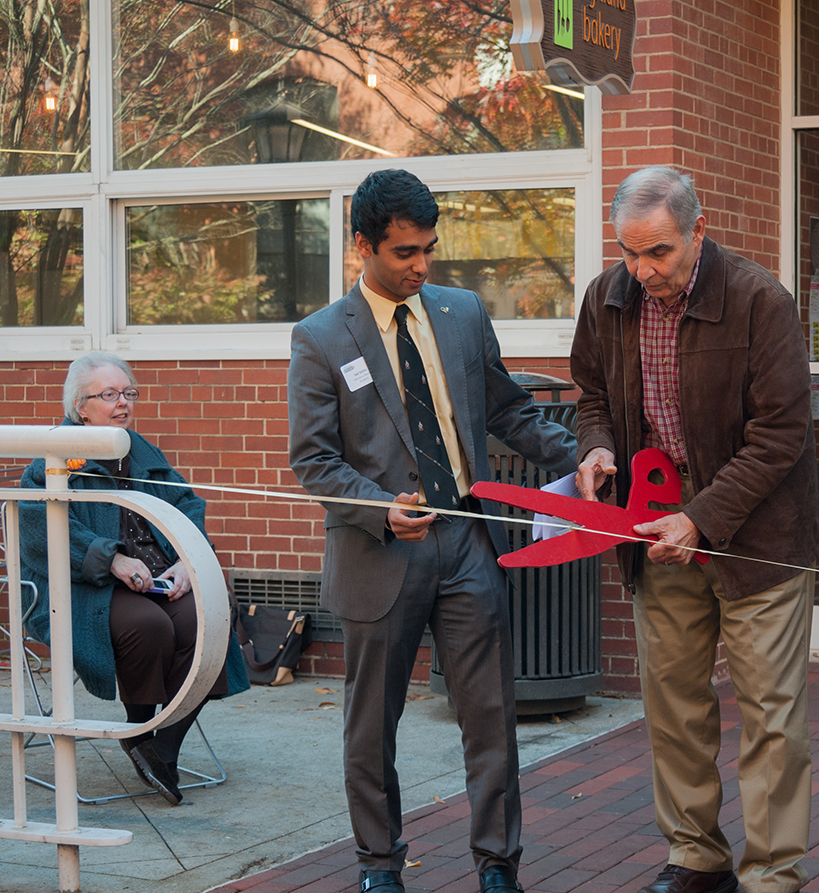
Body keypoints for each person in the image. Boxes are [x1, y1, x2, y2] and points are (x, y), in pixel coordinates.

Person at [287, 169, 577, 893]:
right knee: (371, 725)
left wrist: (586, 455)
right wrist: (377, 507)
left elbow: (510, 411)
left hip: (467, 546)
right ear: (362, 246)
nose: (421, 266)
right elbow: (313, 460)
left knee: (491, 717)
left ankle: (497, 864)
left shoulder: (461, 312)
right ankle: (379, 864)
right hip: (378, 553)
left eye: (429, 250)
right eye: (404, 252)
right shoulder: (320, 337)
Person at [569, 166, 819, 893]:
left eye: (661, 253)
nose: (645, 270)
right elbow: (590, 391)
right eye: (631, 252)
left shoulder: (758, 298)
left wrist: (702, 517)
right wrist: (596, 447)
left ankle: (773, 874)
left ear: (699, 232)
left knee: (771, 717)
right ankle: (696, 858)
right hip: (656, 536)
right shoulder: (607, 298)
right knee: (674, 708)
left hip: (757, 543)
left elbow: (781, 434)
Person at [18, 352, 250, 806]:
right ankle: (140, 728)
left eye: (128, 393)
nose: (122, 403)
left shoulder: (139, 450)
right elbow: (39, 530)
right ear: (80, 406)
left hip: (160, 574)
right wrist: (112, 560)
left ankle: (160, 745)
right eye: (108, 394)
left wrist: (188, 559)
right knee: (149, 626)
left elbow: (188, 505)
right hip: (88, 586)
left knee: (213, 615)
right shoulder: (55, 456)